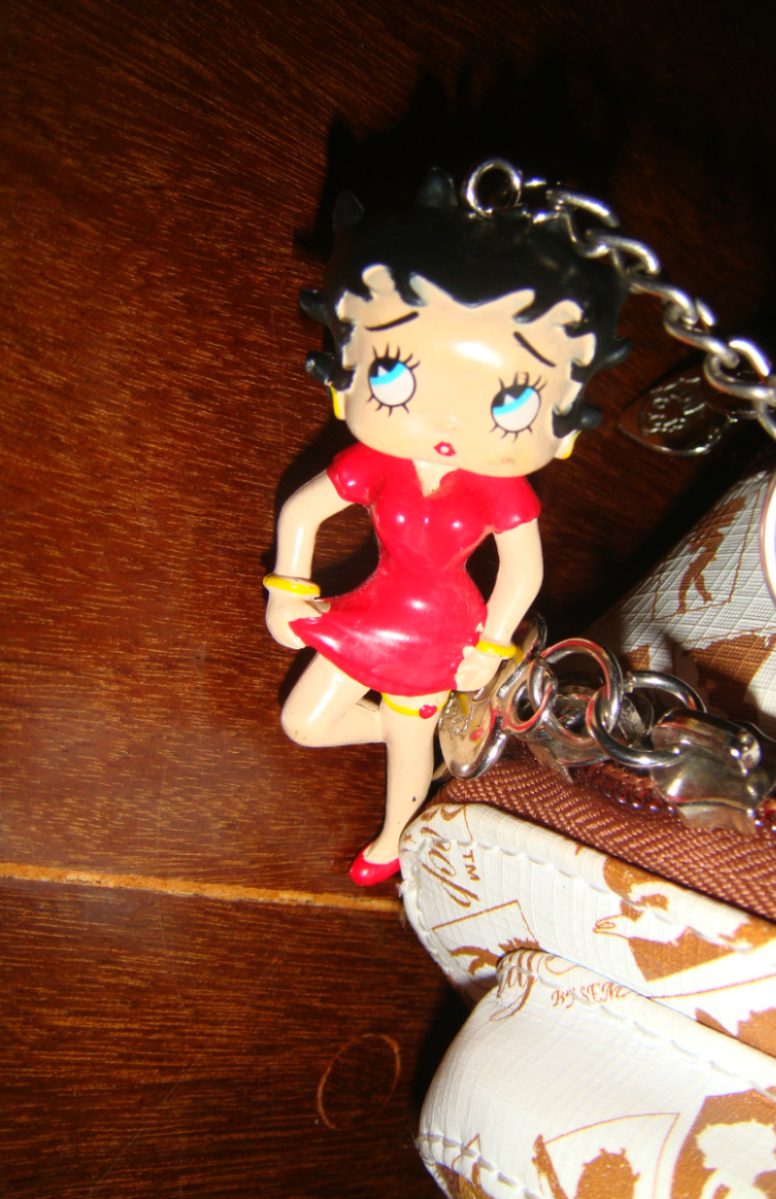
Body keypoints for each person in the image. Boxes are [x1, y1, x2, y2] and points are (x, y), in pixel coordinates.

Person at [264, 164, 627, 884]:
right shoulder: (377, 462)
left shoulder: (499, 489)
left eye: (513, 402)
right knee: (303, 723)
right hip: (371, 612)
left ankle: (393, 838)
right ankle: (414, 733)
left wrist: (490, 648)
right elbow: (302, 511)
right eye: (393, 374)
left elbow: (521, 570)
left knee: (408, 743)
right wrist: (286, 588)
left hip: (441, 635)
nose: (448, 423)